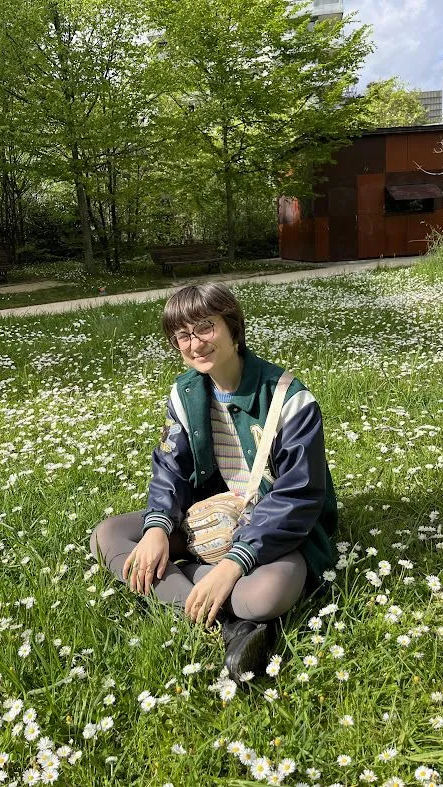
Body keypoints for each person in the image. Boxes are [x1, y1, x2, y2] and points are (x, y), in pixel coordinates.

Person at [90, 283, 338, 682]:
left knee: (266, 594)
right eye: (182, 336)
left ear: (233, 326)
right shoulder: (185, 393)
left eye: (205, 327)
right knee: (107, 536)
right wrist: (157, 528)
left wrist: (235, 563)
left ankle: (206, 597)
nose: (195, 344)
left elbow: (300, 497)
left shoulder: (289, 398)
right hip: (209, 522)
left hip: (274, 532)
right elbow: (169, 467)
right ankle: (232, 623)